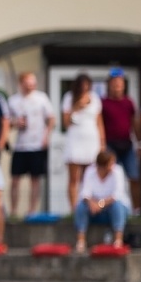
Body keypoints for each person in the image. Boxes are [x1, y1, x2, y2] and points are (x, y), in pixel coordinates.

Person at [6, 72, 56, 217]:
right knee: (15, 179)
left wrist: (46, 136)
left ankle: (32, 210)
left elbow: (52, 118)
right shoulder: (13, 100)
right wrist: (16, 123)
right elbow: (7, 122)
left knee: (35, 179)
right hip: (20, 145)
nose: (30, 87)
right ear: (21, 83)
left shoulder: (41, 98)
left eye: (32, 84)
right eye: (27, 84)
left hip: (37, 145)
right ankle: (14, 211)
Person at [60, 74, 104, 211]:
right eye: (82, 85)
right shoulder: (69, 97)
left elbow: (99, 122)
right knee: (73, 178)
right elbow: (66, 123)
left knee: (87, 177)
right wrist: (77, 107)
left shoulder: (95, 98)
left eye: (87, 85)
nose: (85, 88)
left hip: (91, 141)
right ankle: (73, 209)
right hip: (75, 140)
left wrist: (102, 143)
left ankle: (84, 207)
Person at [73, 149, 129, 253]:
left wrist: (100, 204)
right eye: (110, 163)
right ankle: (81, 241)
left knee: (117, 206)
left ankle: (118, 240)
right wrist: (92, 203)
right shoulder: (90, 171)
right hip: (95, 209)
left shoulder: (118, 171)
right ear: (102, 165)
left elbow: (117, 195)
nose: (113, 166)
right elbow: (85, 193)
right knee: (81, 206)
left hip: (113, 207)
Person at [99, 70, 140, 209]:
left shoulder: (129, 102)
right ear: (109, 85)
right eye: (114, 83)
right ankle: (110, 206)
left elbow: (134, 123)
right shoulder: (103, 103)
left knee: (133, 176)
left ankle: (136, 209)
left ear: (123, 85)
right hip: (110, 145)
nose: (117, 85)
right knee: (110, 176)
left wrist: (139, 143)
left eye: (120, 83)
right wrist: (102, 145)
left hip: (127, 145)